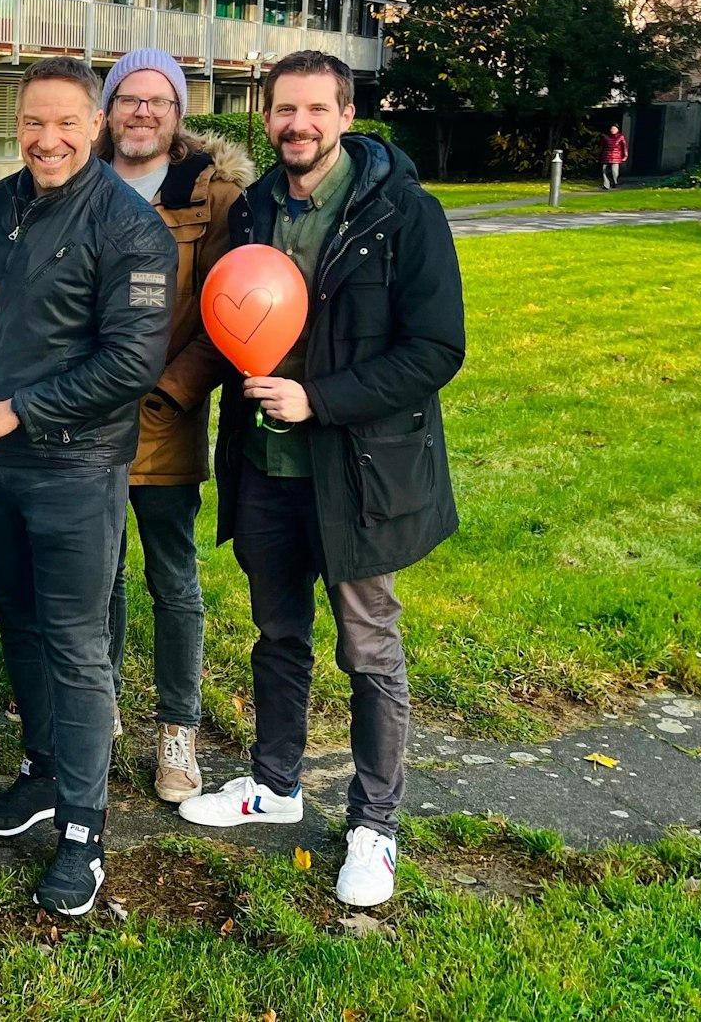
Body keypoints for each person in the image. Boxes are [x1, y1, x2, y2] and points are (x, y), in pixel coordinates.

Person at [175, 51, 465, 912]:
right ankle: (276, 782)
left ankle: (375, 823)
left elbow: (436, 349)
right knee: (277, 632)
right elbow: (233, 312)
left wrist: (321, 398)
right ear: (264, 119)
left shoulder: (403, 214)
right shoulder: (257, 206)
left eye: (314, 109)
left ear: (345, 114)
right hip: (266, 465)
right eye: (281, 110)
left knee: (369, 644)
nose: (296, 124)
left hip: (359, 470)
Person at [0, 57, 177, 917]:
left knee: (78, 645)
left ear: (98, 125)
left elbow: (131, 361)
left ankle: (85, 829)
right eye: (34, 123)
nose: (47, 140)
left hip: (75, 466)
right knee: (20, 622)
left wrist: (21, 411)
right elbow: (0, 302)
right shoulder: (2, 202)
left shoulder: (133, 229)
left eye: (66, 124)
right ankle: (41, 772)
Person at [93, 49, 253, 803]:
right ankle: (102, 707)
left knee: (171, 579)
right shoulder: (78, 183)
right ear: (109, 108)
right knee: (97, 576)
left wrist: (171, 392)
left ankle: (177, 730)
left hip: (164, 420)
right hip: (83, 423)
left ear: (178, 114)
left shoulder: (212, 198)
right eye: (129, 98)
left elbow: (230, 312)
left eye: (158, 100)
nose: (143, 112)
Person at [601, 124, 628, 189]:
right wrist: (600, 156)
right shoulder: (606, 137)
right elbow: (602, 147)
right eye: (612, 129)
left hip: (616, 157)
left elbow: (624, 147)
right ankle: (606, 185)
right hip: (606, 156)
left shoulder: (621, 137)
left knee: (614, 172)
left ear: (618, 130)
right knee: (605, 171)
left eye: (614, 129)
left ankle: (614, 182)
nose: (613, 130)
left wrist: (625, 155)